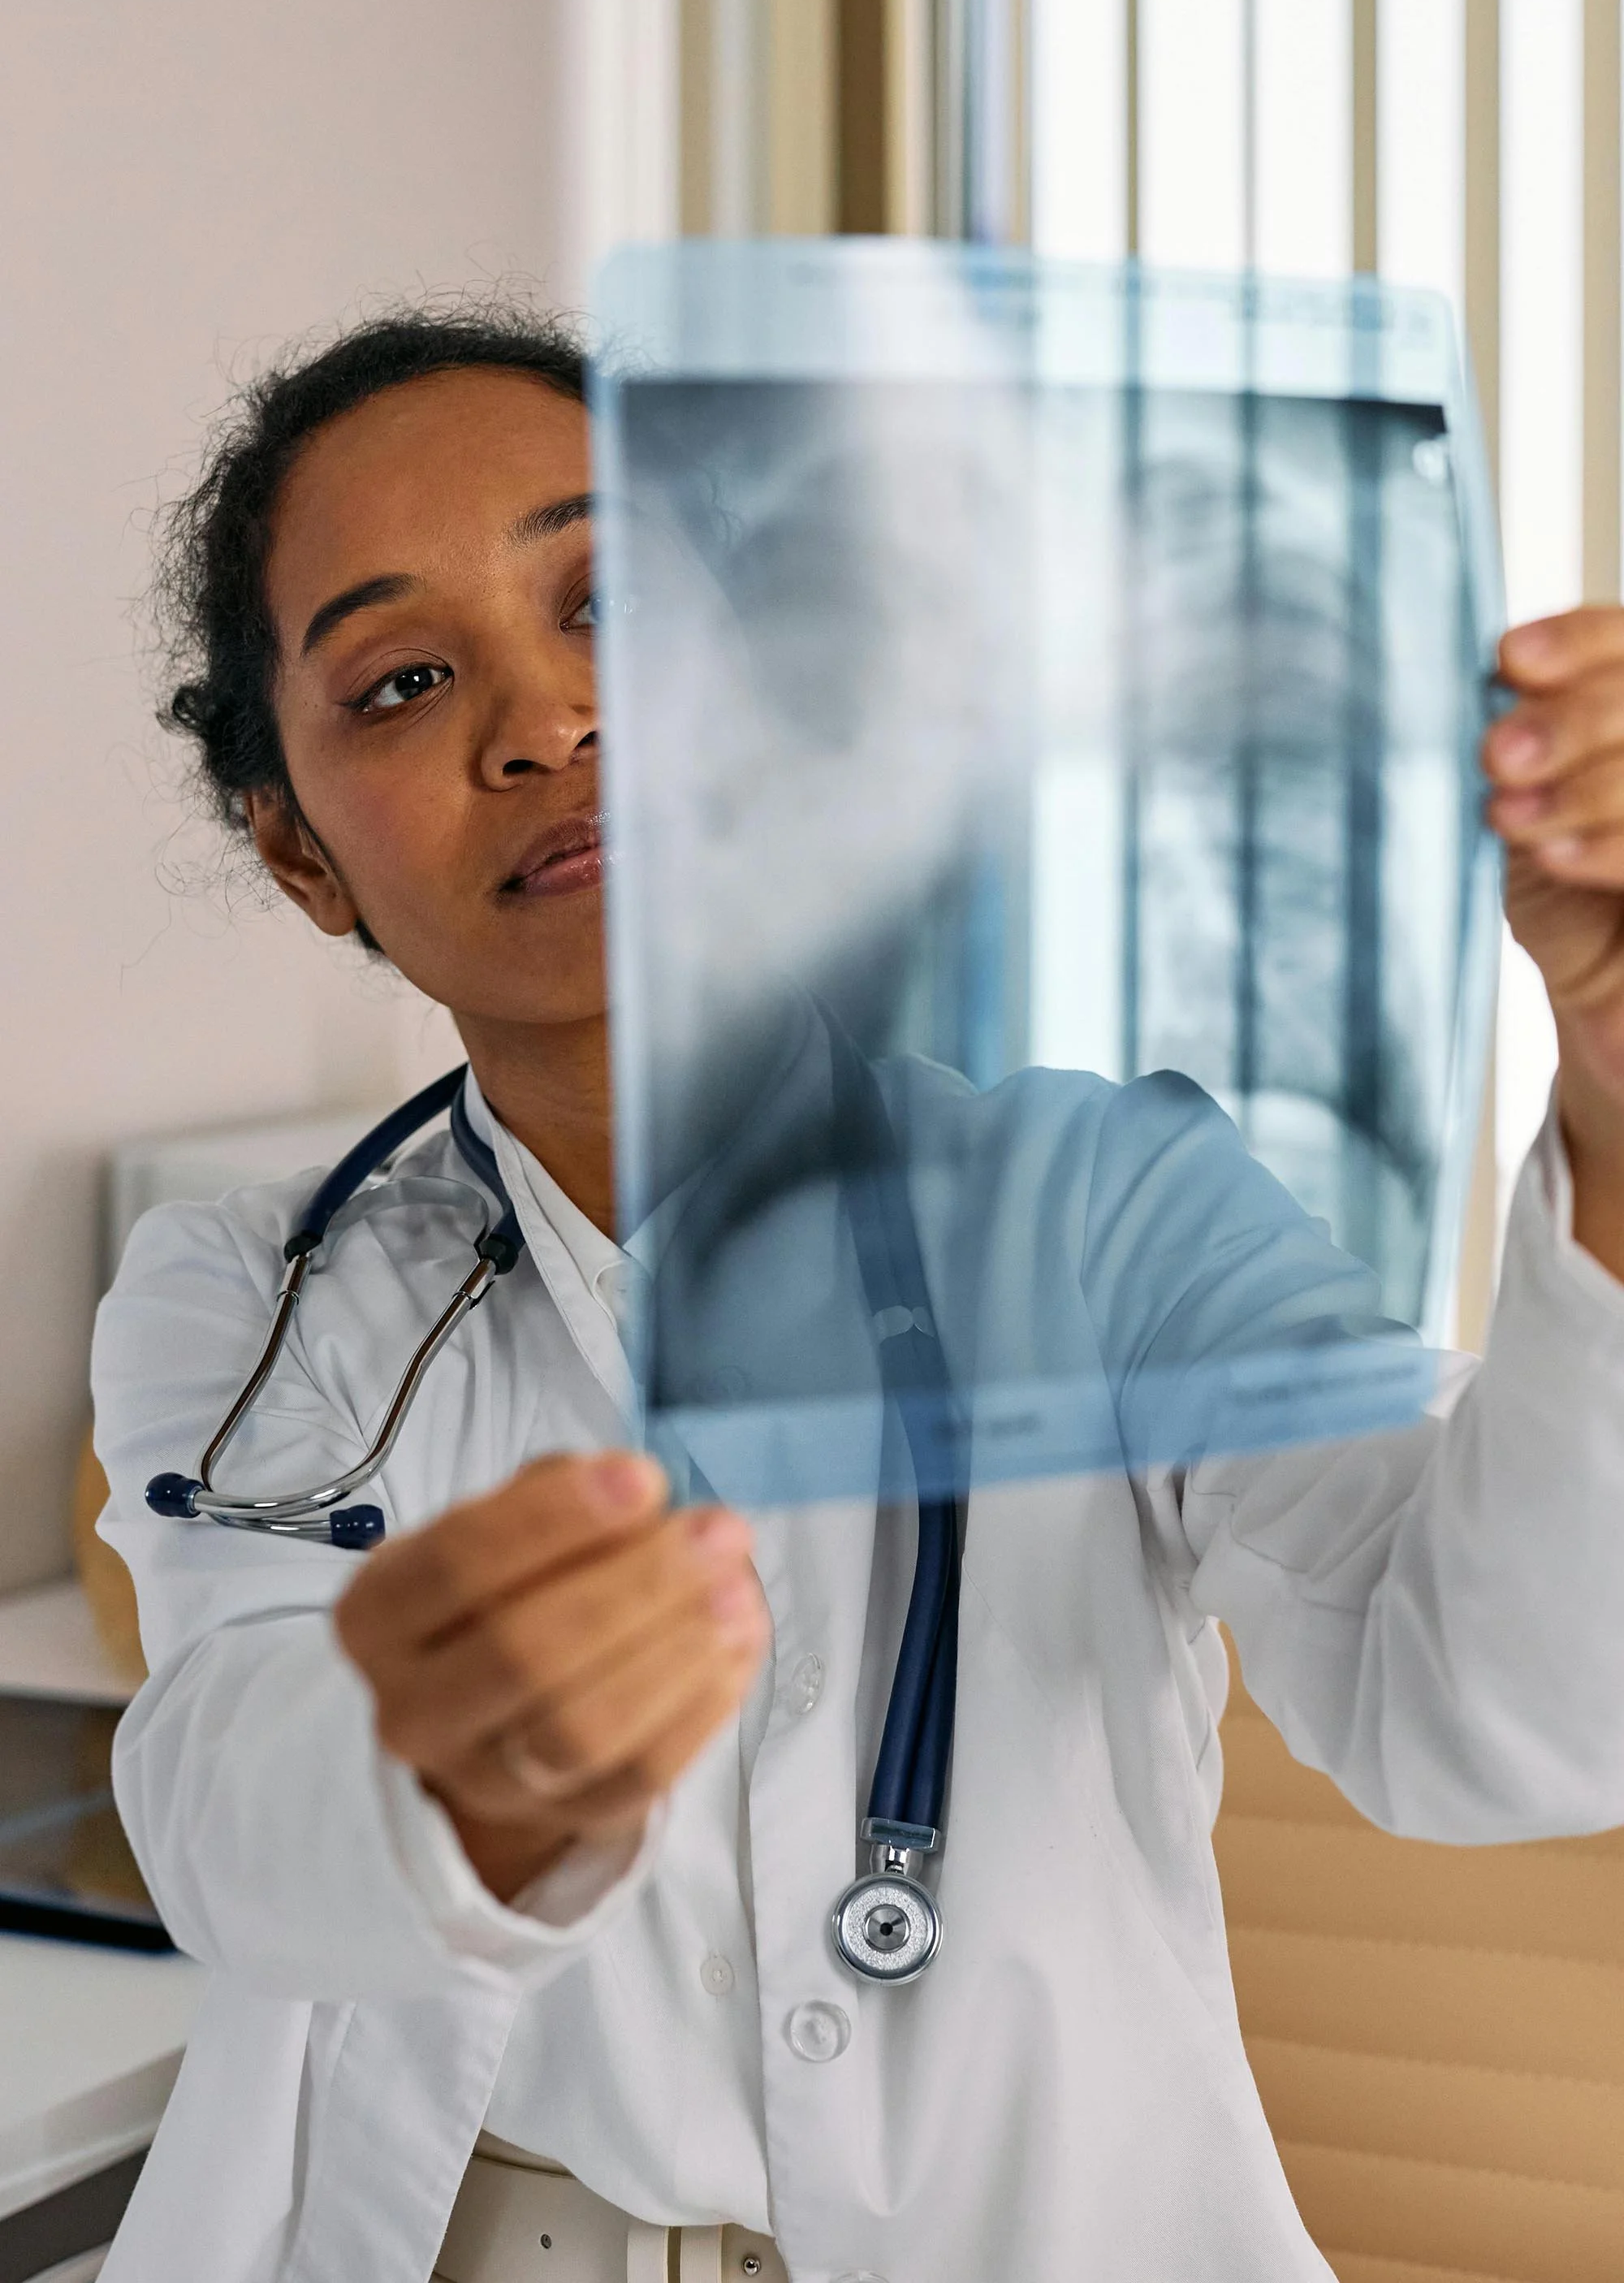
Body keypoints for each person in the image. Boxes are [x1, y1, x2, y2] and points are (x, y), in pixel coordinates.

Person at [91, 301, 1624, 2283]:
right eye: (398, 681)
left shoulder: (1105, 1212)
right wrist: (452, 1787)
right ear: (303, 858)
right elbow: (231, 1821)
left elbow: (1498, 1709)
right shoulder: (246, 1290)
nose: (547, 724)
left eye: (616, 608)